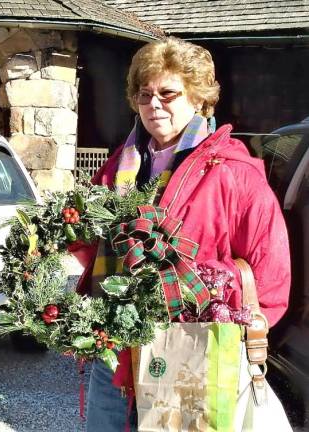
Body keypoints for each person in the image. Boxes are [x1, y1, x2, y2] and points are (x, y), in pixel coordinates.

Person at [73, 37, 291, 431]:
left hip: (190, 351)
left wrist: (190, 291)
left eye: (168, 93)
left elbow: (271, 282)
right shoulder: (117, 169)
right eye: (144, 94)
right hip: (116, 351)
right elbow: (91, 245)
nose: (154, 104)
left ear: (198, 98)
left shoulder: (233, 173)